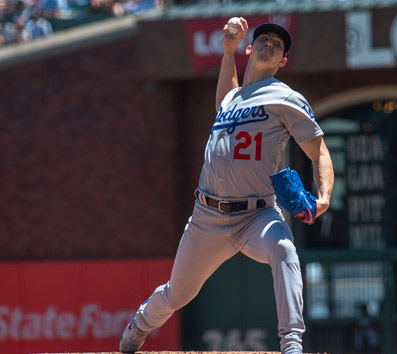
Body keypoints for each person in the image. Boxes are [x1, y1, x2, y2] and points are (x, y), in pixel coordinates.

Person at [119, 17, 334, 354]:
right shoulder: (233, 100)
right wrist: (227, 51)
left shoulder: (286, 97)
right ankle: (140, 324)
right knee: (178, 293)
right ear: (251, 48)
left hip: (257, 216)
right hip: (208, 216)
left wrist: (323, 196)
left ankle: (291, 344)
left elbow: (317, 150)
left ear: (282, 62)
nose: (268, 45)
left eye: (276, 45)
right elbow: (225, 97)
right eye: (263, 39)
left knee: (284, 250)